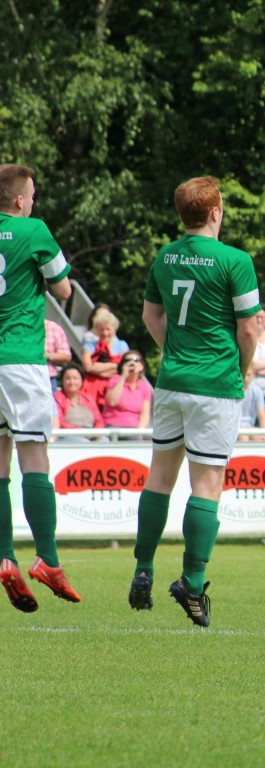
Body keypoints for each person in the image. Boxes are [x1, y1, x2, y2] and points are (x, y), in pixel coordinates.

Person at [127, 175, 263, 628]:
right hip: (215, 385)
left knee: (159, 477)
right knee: (206, 485)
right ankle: (192, 581)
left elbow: (151, 315)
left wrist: (175, 352)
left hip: (171, 381)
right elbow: (248, 328)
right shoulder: (236, 260)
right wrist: (243, 366)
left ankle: (143, 567)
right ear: (215, 211)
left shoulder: (166, 255)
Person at [0, 164, 82, 612]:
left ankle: (4, 556)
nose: (33, 201)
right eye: (31, 194)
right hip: (20, 359)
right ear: (19, 199)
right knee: (34, 458)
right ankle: (48, 559)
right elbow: (64, 289)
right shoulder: (34, 231)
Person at [80, 308, 129, 408]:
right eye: (101, 329)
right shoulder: (89, 345)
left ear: (114, 330)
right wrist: (114, 365)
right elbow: (87, 367)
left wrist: (95, 369)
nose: (105, 333)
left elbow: (123, 369)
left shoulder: (122, 345)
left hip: (115, 387)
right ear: (97, 330)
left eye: (108, 329)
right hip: (91, 388)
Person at [102, 349, 153, 435]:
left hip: (135, 428)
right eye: (128, 361)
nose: (132, 363)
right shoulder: (115, 380)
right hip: (115, 426)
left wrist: (139, 433)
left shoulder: (144, 387)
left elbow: (145, 415)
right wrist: (123, 376)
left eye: (136, 360)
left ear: (141, 365)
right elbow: (112, 402)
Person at [53, 364, 106, 441]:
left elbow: (99, 421)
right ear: (62, 381)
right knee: (82, 442)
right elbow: (60, 421)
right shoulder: (56, 398)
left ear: (82, 380)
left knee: (104, 440)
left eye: (75, 378)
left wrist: (95, 432)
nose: (72, 382)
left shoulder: (88, 398)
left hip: (91, 434)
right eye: (68, 378)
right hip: (68, 436)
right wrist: (81, 431)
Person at [237, 366, 265, 441]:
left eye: (248, 375)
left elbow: (263, 417)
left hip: (250, 428)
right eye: (243, 374)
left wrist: (264, 435)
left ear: (253, 374)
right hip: (236, 429)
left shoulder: (257, 390)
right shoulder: (232, 391)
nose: (245, 378)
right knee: (244, 437)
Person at [44, 318, 71, 391]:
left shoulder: (53, 327)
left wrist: (47, 355)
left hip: (48, 378)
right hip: (24, 376)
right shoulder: (19, 325)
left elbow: (66, 355)